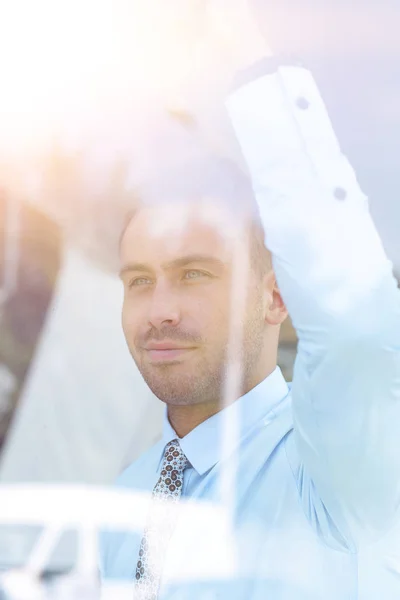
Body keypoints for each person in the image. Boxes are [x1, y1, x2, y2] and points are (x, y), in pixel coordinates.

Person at [100, 2, 400, 598]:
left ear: (278, 297)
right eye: (139, 280)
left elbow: (355, 325)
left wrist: (247, 68)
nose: (160, 309)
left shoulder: (336, 473)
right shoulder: (121, 503)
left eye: (193, 275)